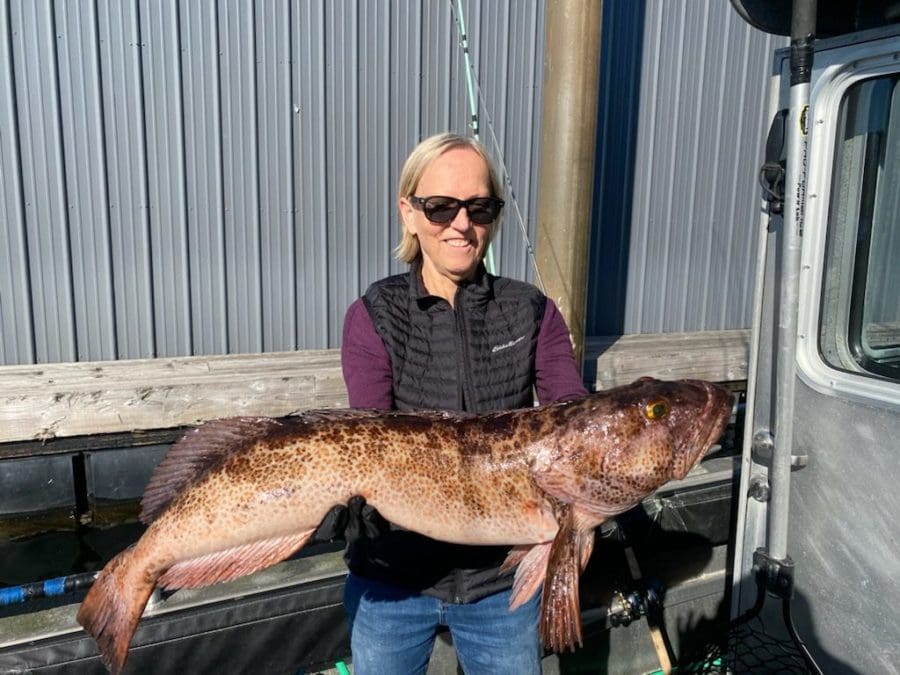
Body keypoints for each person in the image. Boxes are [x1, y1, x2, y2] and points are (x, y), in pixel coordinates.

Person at [339, 132, 588, 675]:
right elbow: (370, 437)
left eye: (478, 207)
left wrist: (586, 511)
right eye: (440, 207)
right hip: (392, 581)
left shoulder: (531, 312)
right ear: (409, 213)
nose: (460, 223)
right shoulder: (374, 315)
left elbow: (574, 420)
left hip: (501, 581)